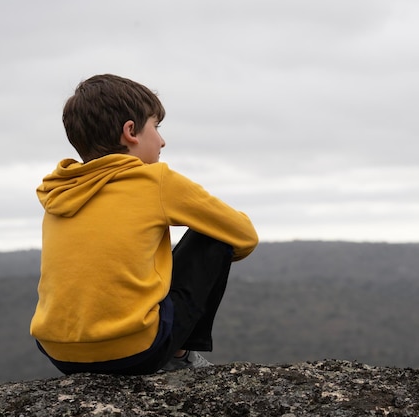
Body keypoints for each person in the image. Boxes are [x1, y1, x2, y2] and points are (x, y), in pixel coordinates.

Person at [30, 74, 258, 375]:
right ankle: (180, 354)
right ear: (130, 132)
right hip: (135, 352)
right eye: (156, 126)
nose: (162, 140)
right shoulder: (156, 180)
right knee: (216, 237)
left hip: (59, 352)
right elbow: (244, 235)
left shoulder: (60, 189)